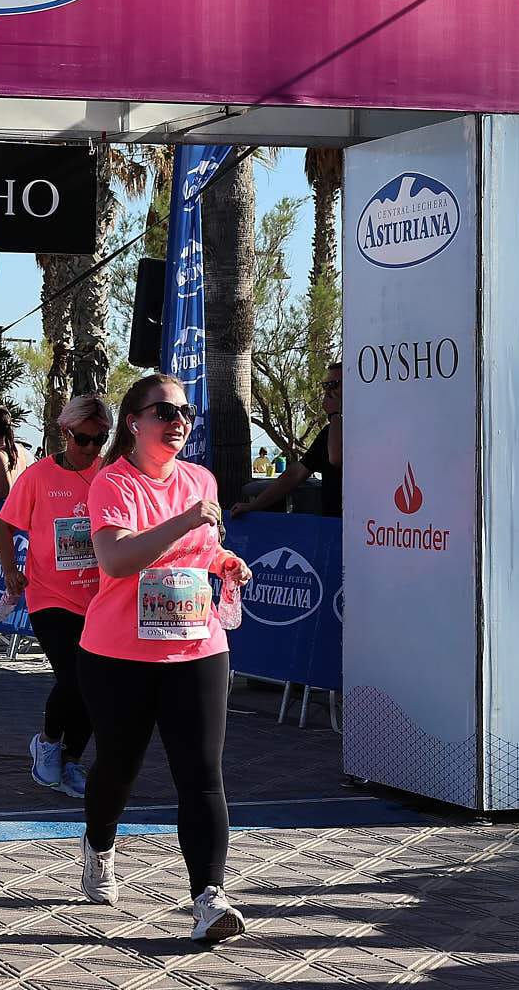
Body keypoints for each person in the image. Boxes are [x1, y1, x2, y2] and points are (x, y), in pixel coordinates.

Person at [77, 373, 253, 945]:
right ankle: (99, 842)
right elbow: (117, 560)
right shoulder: (113, 484)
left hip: (197, 646)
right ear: (134, 422)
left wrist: (225, 563)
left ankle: (208, 896)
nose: (178, 421)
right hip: (118, 653)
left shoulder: (201, 479)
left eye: (184, 412)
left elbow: (204, 548)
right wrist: (185, 520)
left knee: (202, 776)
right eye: (164, 412)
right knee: (118, 769)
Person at [0, 396, 112, 798]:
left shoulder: (110, 473)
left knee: (96, 684)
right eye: (84, 439)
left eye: (101, 440)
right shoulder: (37, 476)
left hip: (101, 597)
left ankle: (72, 760)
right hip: (50, 596)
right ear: (66, 433)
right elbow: (4, 527)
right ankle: (47, 742)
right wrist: (11, 569)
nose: (92, 449)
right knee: (73, 674)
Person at [233, 362, 342, 519]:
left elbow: (336, 457)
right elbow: (296, 473)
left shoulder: (370, 431)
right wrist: (254, 505)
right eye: (325, 386)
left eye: (333, 385)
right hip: (333, 525)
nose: (328, 392)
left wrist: (335, 414)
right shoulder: (329, 433)